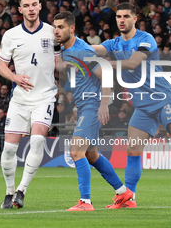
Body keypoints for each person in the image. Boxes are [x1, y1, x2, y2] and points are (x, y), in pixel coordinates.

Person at [91, 2, 171, 209]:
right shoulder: (113, 43)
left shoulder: (146, 39)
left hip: (164, 100)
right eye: (119, 16)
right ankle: (129, 199)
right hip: (143, 107)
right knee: (133, 150)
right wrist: (69, 45)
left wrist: (103, 64)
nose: (121, 20)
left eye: (126, 16)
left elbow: (132, 63)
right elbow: (92, 48)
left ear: (135, 18)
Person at [54, 11, 132, 211]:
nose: (56, 31)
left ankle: (85, 202)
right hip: (84, 106)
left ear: (72, 29)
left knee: (76, 151)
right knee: (91, 155)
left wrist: (103, 105)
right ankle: (124, 193)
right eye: (55, 27)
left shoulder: (82, 50)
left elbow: (106, 74)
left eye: (61, 27)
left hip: (92, 105)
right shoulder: (66, 50)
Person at [0, 0, 58, 209]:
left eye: (35, 4)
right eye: (27, 5)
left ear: (40, 6)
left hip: (44, 98)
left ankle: (22, 190)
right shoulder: (11, 35)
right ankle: (9, 191)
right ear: (20, 9)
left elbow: (59, 65)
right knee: (9, 150)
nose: (31, 9)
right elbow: (1, 67)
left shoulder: (53, 33)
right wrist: (14, 77)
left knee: (37, 141)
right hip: (20, 100)